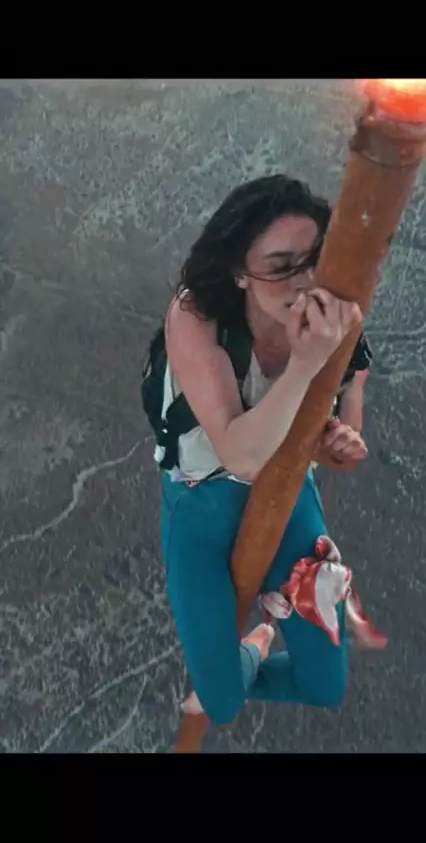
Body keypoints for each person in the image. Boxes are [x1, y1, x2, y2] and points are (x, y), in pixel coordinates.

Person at [151, 174, 373, 726]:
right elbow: (238, 452)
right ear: (239, 272)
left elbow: (342, 446)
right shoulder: (197, 318)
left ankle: (243, 656)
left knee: (324, 686)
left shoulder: (341, 325)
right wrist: (306, 361)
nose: (305, 281)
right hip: (200, 499)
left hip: (286, 489)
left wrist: (340, 444)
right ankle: (251, 650)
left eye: (314, 259)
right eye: (281, 266)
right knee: (222, 702)